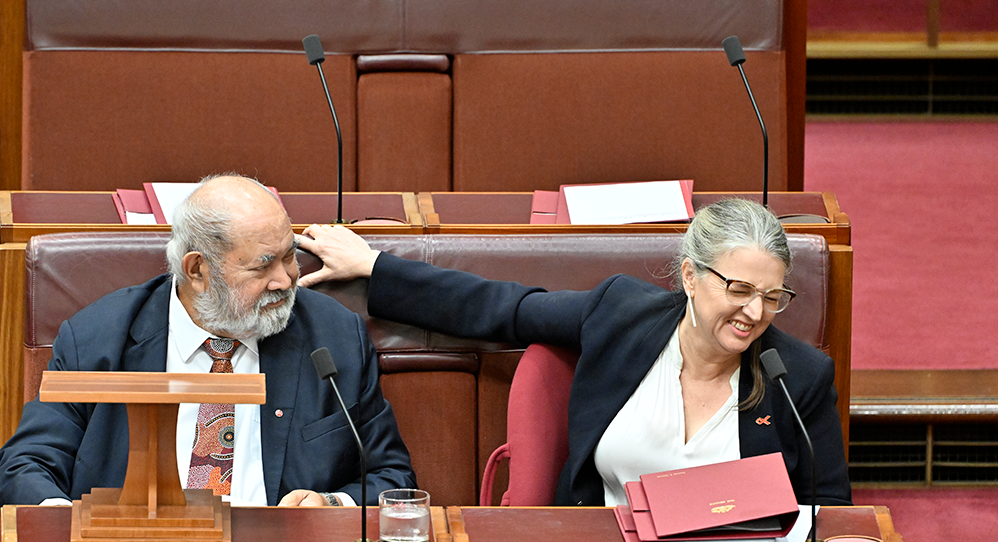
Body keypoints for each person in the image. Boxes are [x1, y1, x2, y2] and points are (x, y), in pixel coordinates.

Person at [299, 197, 851, 507]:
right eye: (738, 290)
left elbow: (831, 516)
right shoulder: (621, 316)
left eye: (773, 297)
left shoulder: (796, 376)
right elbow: (504, 308)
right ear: (689, 275)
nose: (754, 313)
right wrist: (376, 268)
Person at [0, 174, 415, 513]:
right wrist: (70, 531)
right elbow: (25, 466)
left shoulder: (333, 338)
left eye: (289, 255)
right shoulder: (100, 337)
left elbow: (391, 477)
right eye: (263, 266)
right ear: (197, 271)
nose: (286, 280)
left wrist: (330, 504)